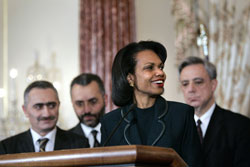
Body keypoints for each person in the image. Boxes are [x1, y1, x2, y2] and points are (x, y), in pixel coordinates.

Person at [100, 40, 201, 167]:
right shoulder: (110, 122)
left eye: (161, 67)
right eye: (149, 67)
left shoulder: (181, 114)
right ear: (130, 77)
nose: (160, 73)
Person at [178, 56, 250, 167]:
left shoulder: (241, 126)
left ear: (213, 85)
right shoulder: (175, 128)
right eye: (185, 84)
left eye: (198, 82)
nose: (191, 89)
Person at [0, 80, 89, 154]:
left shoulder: (80, 145)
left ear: (58, 106)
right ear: (25, 110)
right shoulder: (7, 148)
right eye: (38, 106)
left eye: (51, 105)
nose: (46, 114)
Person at [69, 73, 107, 147]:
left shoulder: (121, 134)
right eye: (79, 104)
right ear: (72, 104)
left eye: (93, 102)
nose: (87, 110)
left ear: (105, 99)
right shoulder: (64, 142)